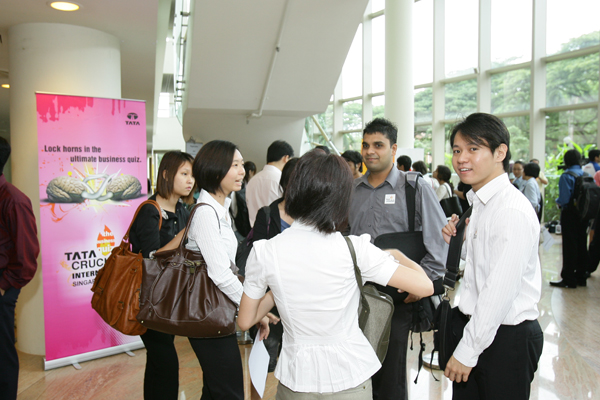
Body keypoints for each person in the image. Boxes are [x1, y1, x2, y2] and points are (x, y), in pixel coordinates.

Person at [238, 151, 434, 399]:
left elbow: (245, 321)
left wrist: (278, 290)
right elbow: (425, 286)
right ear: (341, 198)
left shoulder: (266, 251)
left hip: (296, 380)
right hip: (350, 377)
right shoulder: (355, 249)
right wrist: (396, 253)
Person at [442, 112, 543, 400]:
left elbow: (499, 291)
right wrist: (456, 240)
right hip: (478, 327)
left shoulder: (510, 210)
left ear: (500, 152)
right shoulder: (479, 203)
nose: (462, 159)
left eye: (474, 149)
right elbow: (479, 268)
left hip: (505, 338)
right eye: (457, 150)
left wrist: (468, 349)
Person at [349, 118, 447, 400]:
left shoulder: (414, 187)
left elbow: (438, 241)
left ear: (393, 149)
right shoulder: (353, 191)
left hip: (397, 297)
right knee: (360, 370)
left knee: (391, 375)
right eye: (366, 145)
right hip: (358, 296)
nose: (370, 151)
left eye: (378, 145)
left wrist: (420, 283)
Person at [129, 151, 195, 400]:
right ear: (166, 174)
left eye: (192, 175)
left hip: (169, 300)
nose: (191, 181)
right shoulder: (151, 211)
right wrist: (185, 235)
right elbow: (152, 257)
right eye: (184, 174)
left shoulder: (182, 210)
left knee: (157, 362)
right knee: (167, 364)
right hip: (149, 300)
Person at [0, 137, 40, 400]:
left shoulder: (14, 200)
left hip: (3, 289)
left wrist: (4, 288)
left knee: (2, 355)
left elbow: (27, 258)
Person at [550, 149, 589, 288]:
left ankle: (568, 278)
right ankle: (581, 276)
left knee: (570, 245)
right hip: (584, 215)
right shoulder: (586, 174)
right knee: (581, 244)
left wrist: (557, 201)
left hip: (570, 214)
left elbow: (564, 199)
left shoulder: (567, 176)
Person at [246, 140, 294, 226]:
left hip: (254, 232)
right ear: (286, 158)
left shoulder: (252, 180)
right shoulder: (281, 181)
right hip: (275, 232)